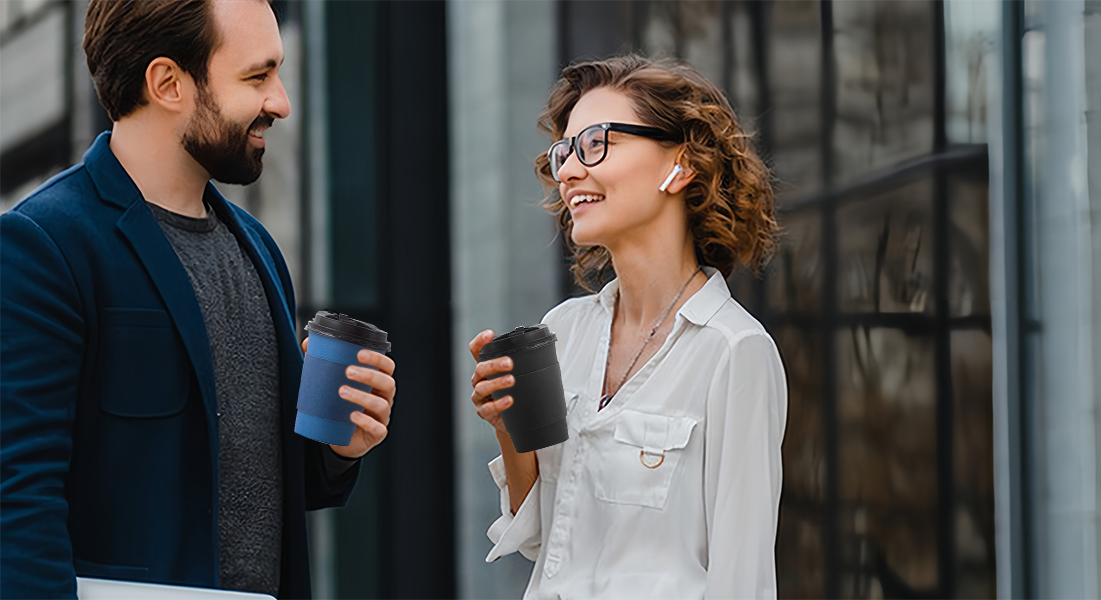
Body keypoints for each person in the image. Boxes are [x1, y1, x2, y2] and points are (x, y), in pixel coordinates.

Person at [0, 1, 396, 598]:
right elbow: (17, 506)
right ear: (168, 83)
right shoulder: (44, 245)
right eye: (257, 76)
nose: (281, 102)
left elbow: (257, 482)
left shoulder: (258, 248)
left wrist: (336, 450)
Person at [468, 55, 788, 598]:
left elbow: (744, 579)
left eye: (596, 143)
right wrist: (507, 425)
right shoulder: (562, 331)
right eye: (565, 151)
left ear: (680, 165)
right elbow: (540, 534)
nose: (569, 171)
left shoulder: (735, 351)